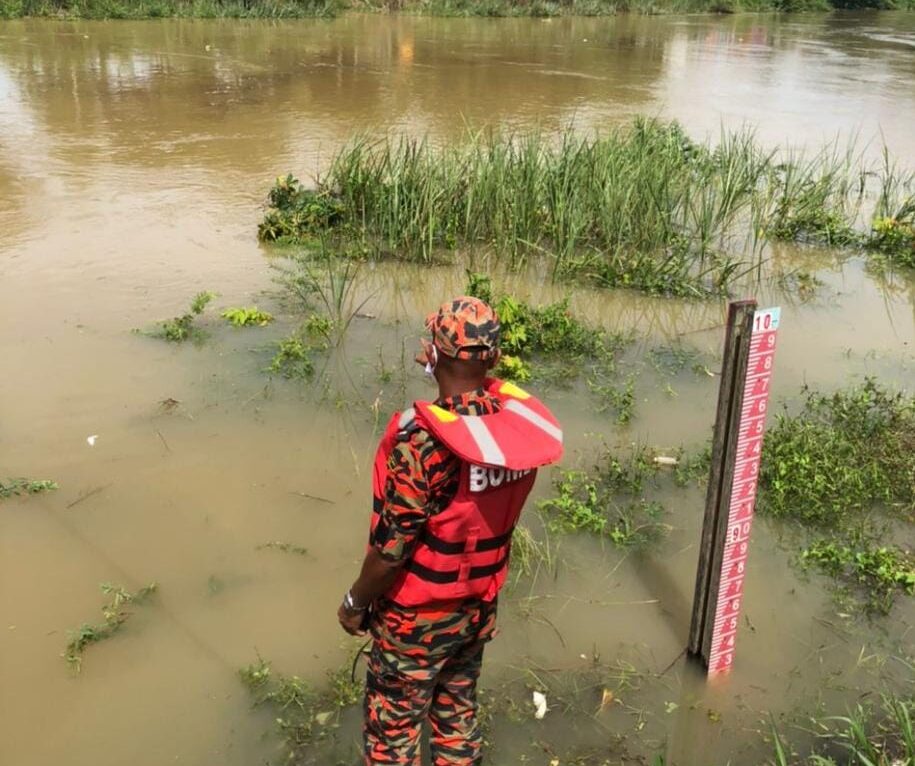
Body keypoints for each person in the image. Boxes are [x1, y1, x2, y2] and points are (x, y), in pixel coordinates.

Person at [337, 296, 563, 765]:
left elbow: (391, 552)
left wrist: (355, 602)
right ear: (494, 358)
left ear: (432, 354)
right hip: (475, 611)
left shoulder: (422, 445)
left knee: (391, 741)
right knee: (456, 717)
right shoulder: (511, 436)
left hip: (415, 622)